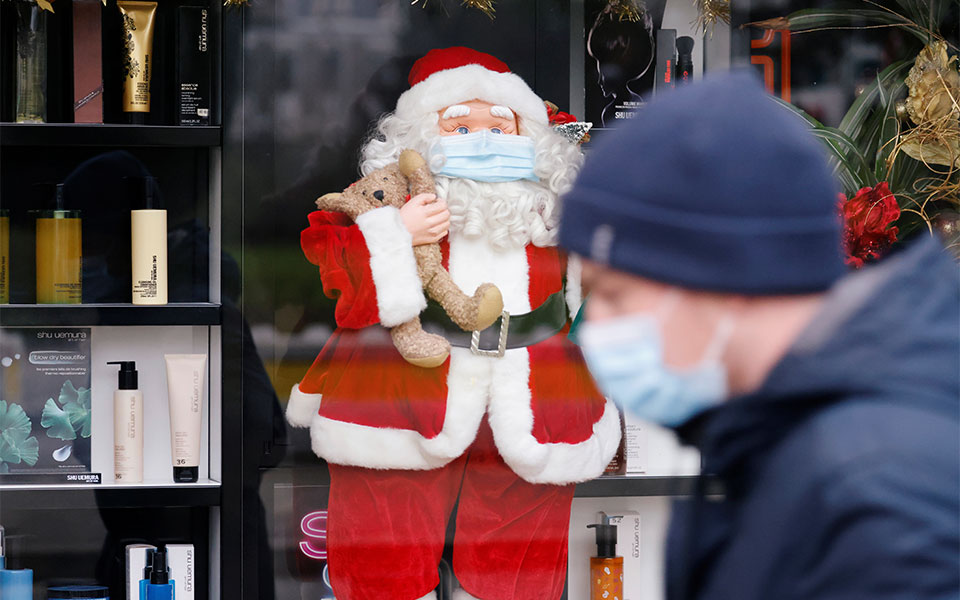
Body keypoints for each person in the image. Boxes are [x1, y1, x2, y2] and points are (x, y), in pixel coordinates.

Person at [558, 72, 960, 600]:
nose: (592, 330)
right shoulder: (780, 448)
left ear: (719, 278)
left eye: (613, 294)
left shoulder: (876, 499)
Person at [286, 47, 621, 600]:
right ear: (420, 138)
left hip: (535, 395)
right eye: (460, 125)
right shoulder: (392, 198)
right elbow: (332, 268)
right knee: (383, 555)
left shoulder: (556, 206)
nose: (482, 137)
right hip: (404, 390)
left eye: (499, 124)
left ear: (529, 134)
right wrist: (396, 231)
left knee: (516, 569)